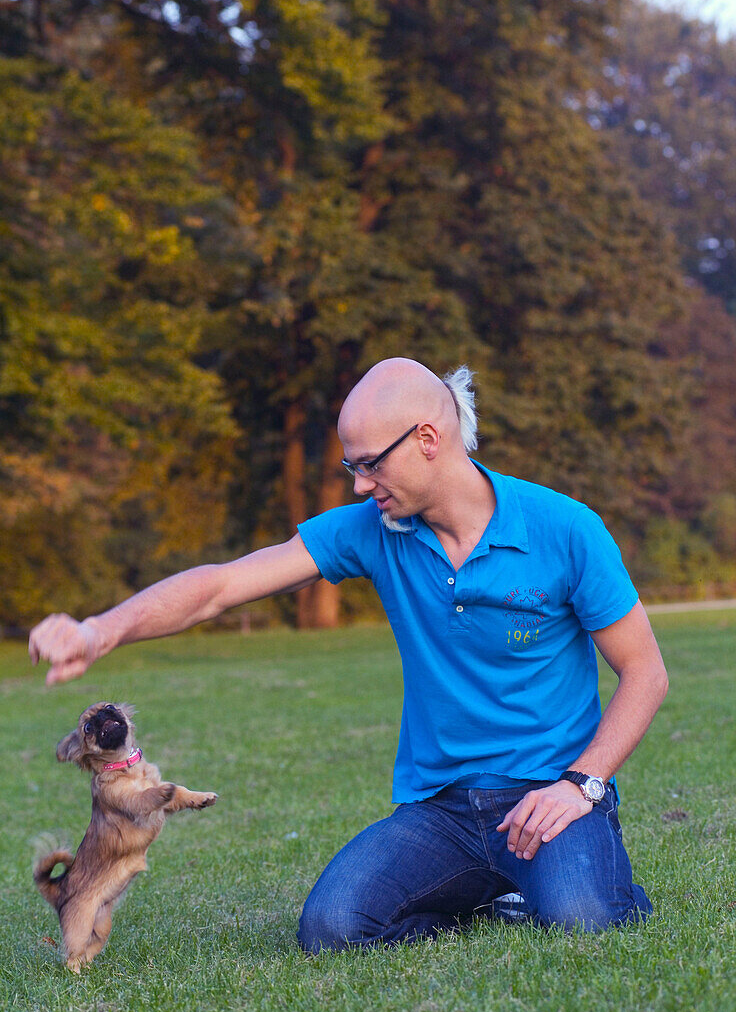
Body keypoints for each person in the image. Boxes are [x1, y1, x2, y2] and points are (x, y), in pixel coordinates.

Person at [29, 358, 668, 950]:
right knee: (333, 927)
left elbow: (645, 673)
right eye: (351, 468)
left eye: (371, 464)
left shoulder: (564, 528)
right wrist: (99, 631)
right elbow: (221, 586)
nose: (362, 486)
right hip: (443, 808)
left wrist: (580, 786)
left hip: (550, 793)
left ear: (427, 439)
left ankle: (549, 878)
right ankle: (495, 890)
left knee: (586, 921)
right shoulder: (373, 531)